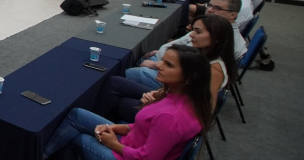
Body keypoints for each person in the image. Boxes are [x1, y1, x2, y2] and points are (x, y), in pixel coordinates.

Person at [41, 45, 212, 160]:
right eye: (163, 61)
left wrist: (113, 144)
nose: (159, 66)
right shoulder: (180, 96)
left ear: (188, 78)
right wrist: (115, 128)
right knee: (77, 115)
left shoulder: (172, 116)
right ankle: (40, 159)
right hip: (133, 145)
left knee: (76, 140)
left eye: (168, 65)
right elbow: (144, 126)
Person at [101, 15, 237, 122]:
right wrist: (159, 93)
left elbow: (205, 109)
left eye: (198, 32)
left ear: (216, 38)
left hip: (172, 113)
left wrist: (159, 101)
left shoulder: (214, 71)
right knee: (115, 82)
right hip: (169, 98)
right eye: (193, 30)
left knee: (120, 100)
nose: (191, 35)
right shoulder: (203, 56)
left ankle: (102, 127)